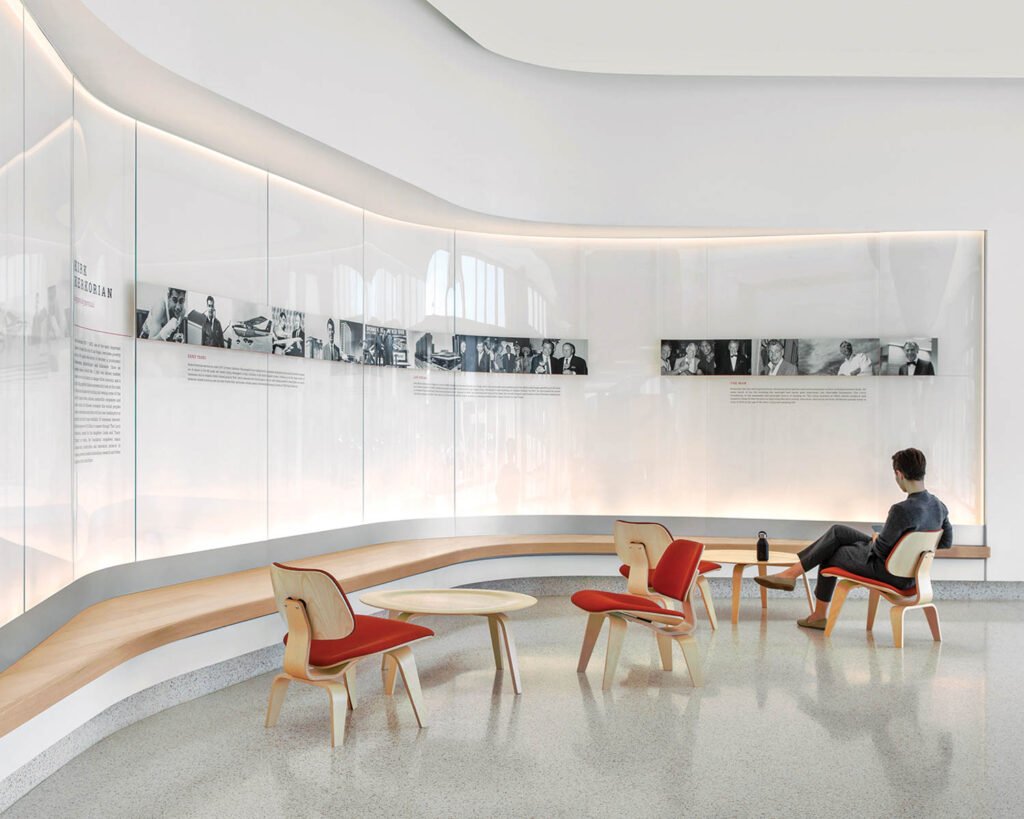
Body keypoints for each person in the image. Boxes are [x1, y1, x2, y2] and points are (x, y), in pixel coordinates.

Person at [754, 448, 952, 629]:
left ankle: (814, 608)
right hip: (912, 576)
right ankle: (792, 576)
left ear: (899, 474)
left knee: (830, 551)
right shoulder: (939, 506)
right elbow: (945, 542)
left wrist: (878, 540)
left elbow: (881, 551)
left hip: (887, 570)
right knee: (838, 531)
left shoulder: (901, 510)